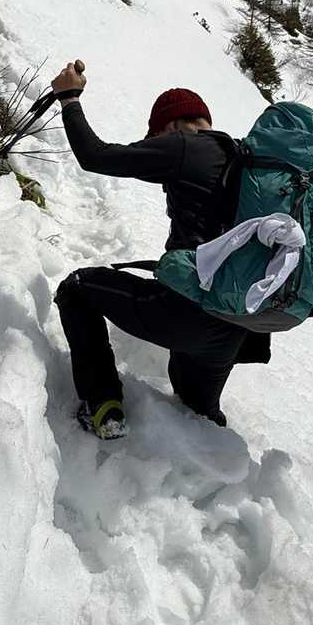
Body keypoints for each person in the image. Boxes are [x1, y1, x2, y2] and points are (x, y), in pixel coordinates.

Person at [51, 59, 269, 439]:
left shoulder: (184, 146)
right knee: (196, 412)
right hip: (238, 327)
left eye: (156, 138)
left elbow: (95, 156)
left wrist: (69, 98)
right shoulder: (244, 162)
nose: (155, 146)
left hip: (186, 314)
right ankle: (220, 460)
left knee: (77, 289)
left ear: (171, 125)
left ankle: (102, 404)